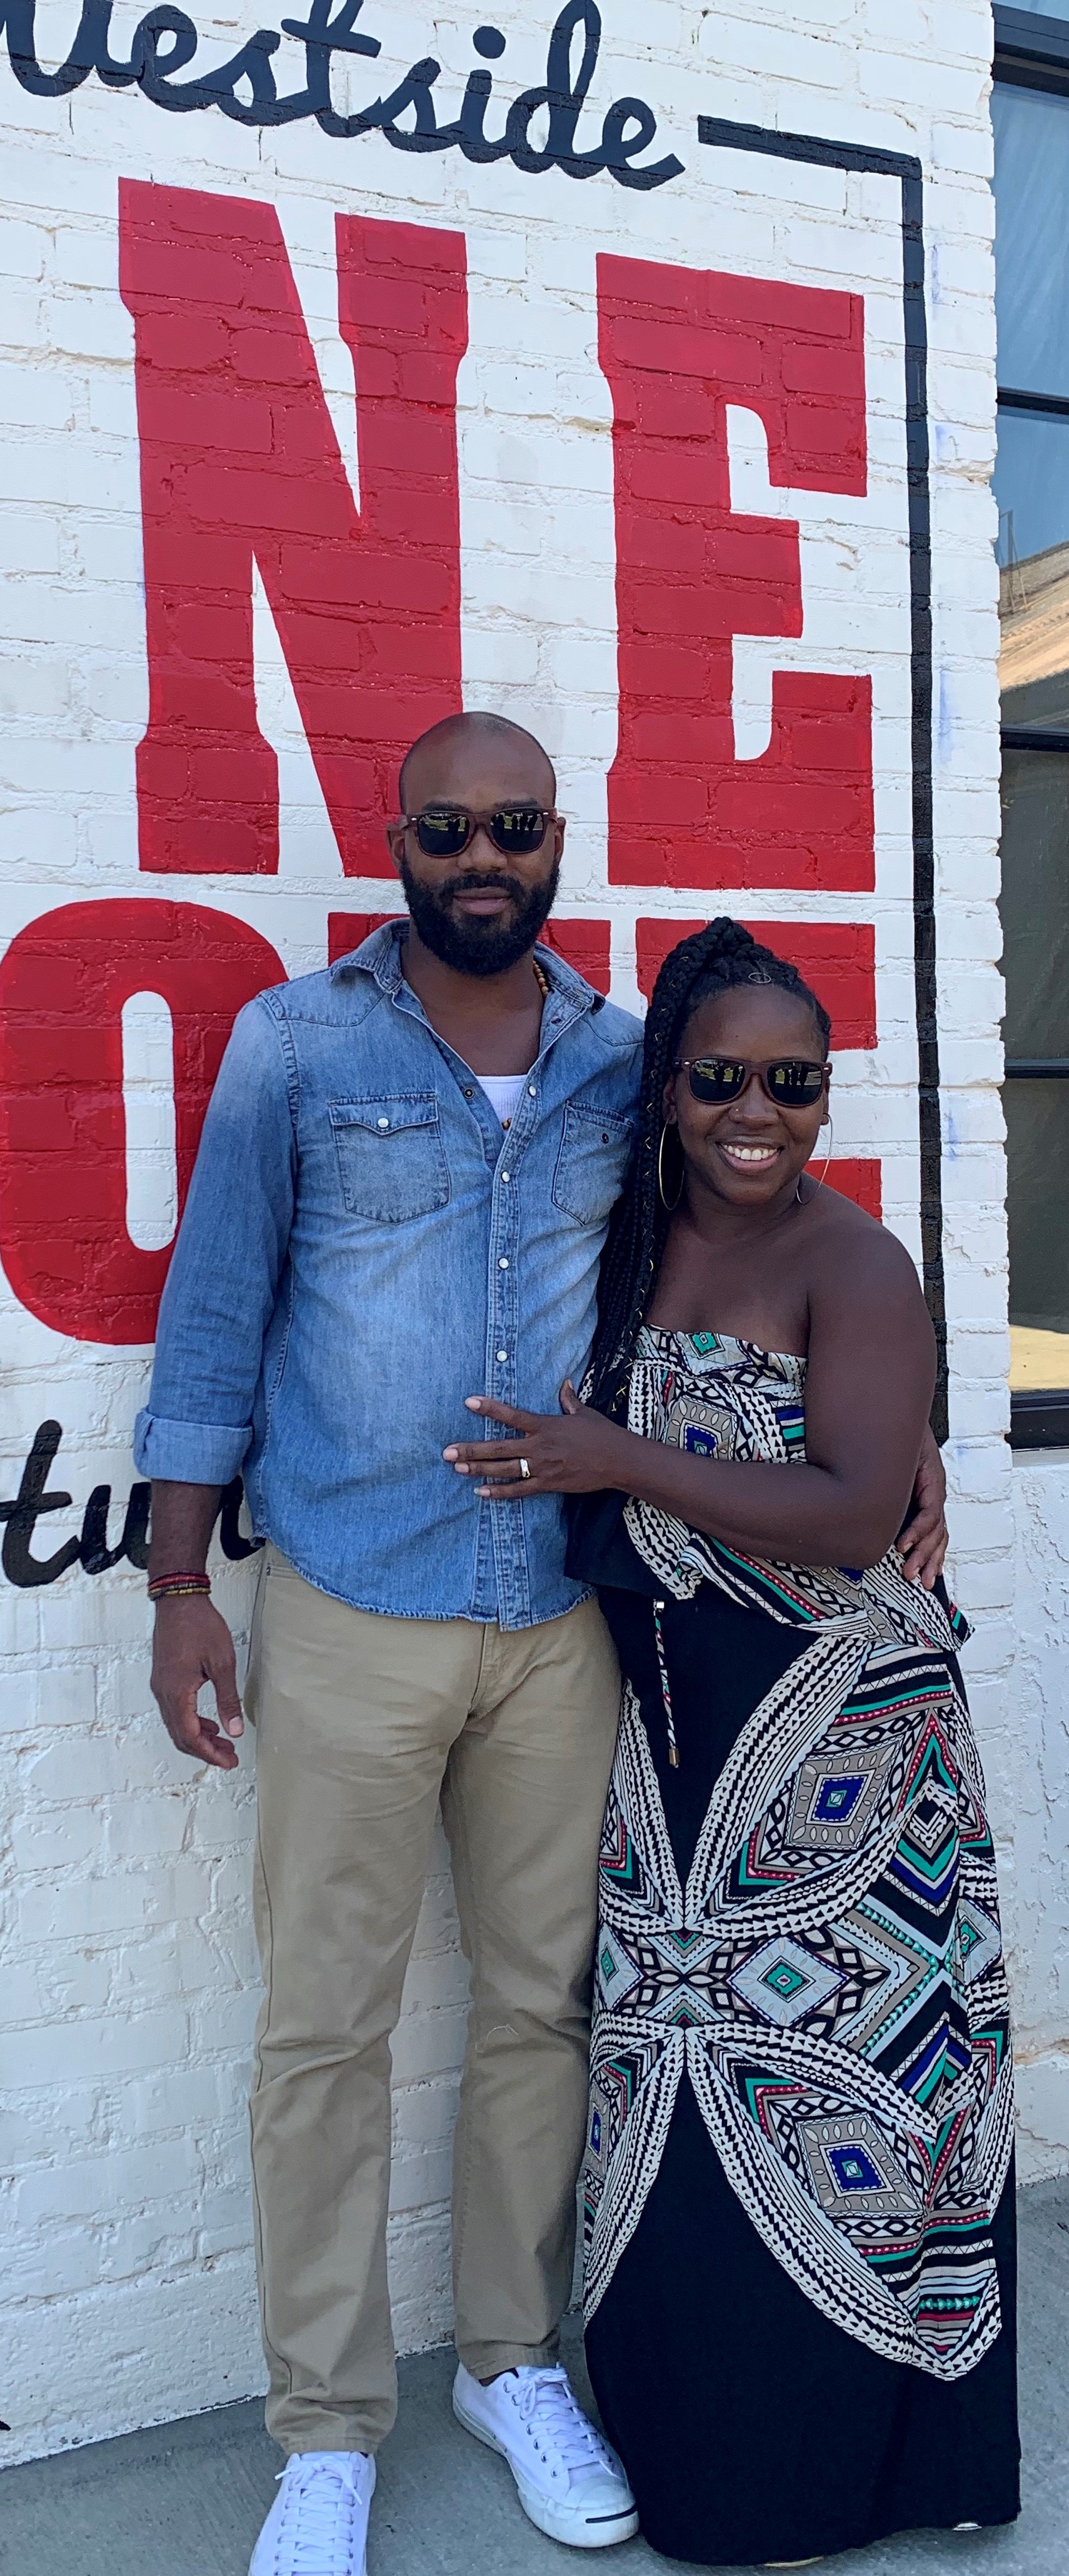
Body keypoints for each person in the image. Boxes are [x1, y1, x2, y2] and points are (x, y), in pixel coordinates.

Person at [134, 721, 948, 2576]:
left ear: (557, 841)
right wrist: (182, 1586)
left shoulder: (616, 1060)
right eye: (448, 828)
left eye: (514, 827)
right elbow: (215, 1309)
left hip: (567, 1625)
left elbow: (755, 1231)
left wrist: (912, 1448)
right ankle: (326, 2435)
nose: (480, 855)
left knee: (542, 2014)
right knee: (324, 2034)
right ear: (400, 842)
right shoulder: (299, 1043)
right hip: (348, 1603)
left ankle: (509, 2362)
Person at [446, 918, 1018, 2567]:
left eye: (792, 1083)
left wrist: (614, 1454)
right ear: (665, 1090)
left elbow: (850, 1511)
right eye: (718, 1078)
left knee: (866, 2106)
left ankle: (867, 2469)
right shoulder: (616, 1235)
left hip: (853, 1761)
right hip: (679, 1762)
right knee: (679, 2100)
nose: (754, 1110)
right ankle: (699, 2458)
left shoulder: (854, 1261)